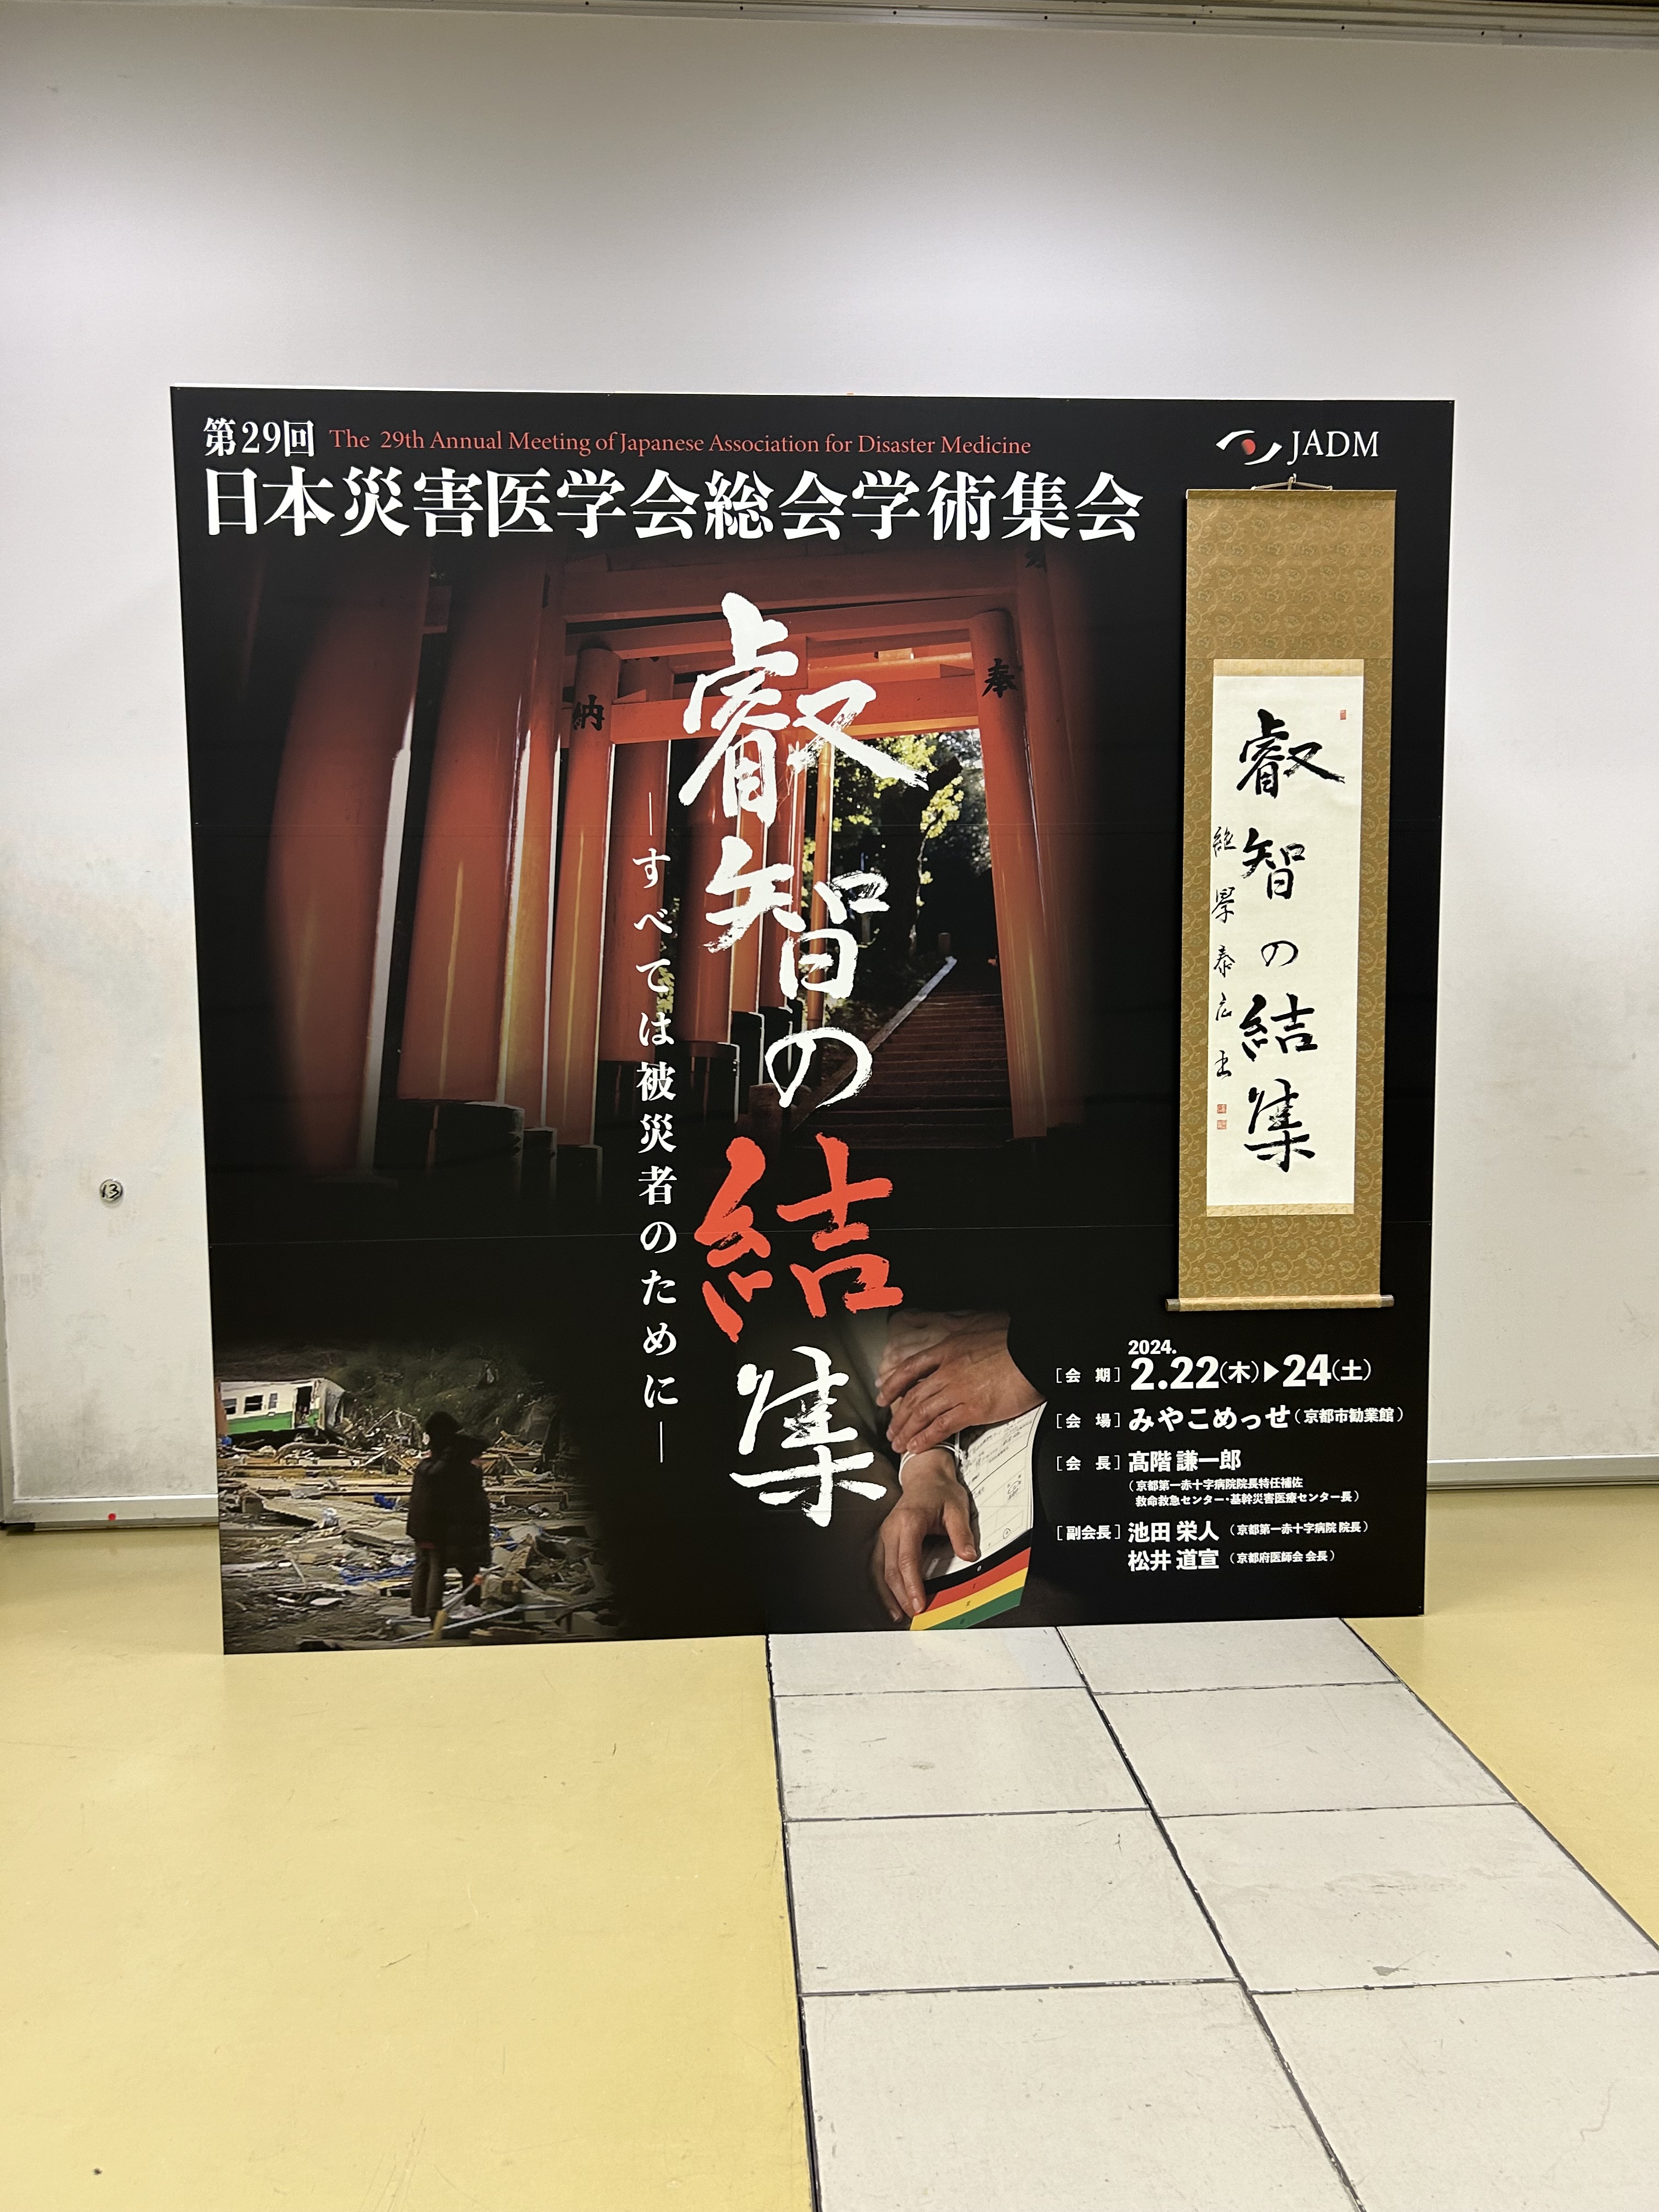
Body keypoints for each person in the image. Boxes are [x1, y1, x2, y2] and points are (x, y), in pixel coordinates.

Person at [405, 1415, 493, 1620]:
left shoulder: (425, 1467)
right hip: (444, 1529)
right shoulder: (458, 1471)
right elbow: (471, 1504)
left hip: (420, 1527)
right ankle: (436, 1612)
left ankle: (419, 1610)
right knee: (444, 1568)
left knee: (423, 1565)